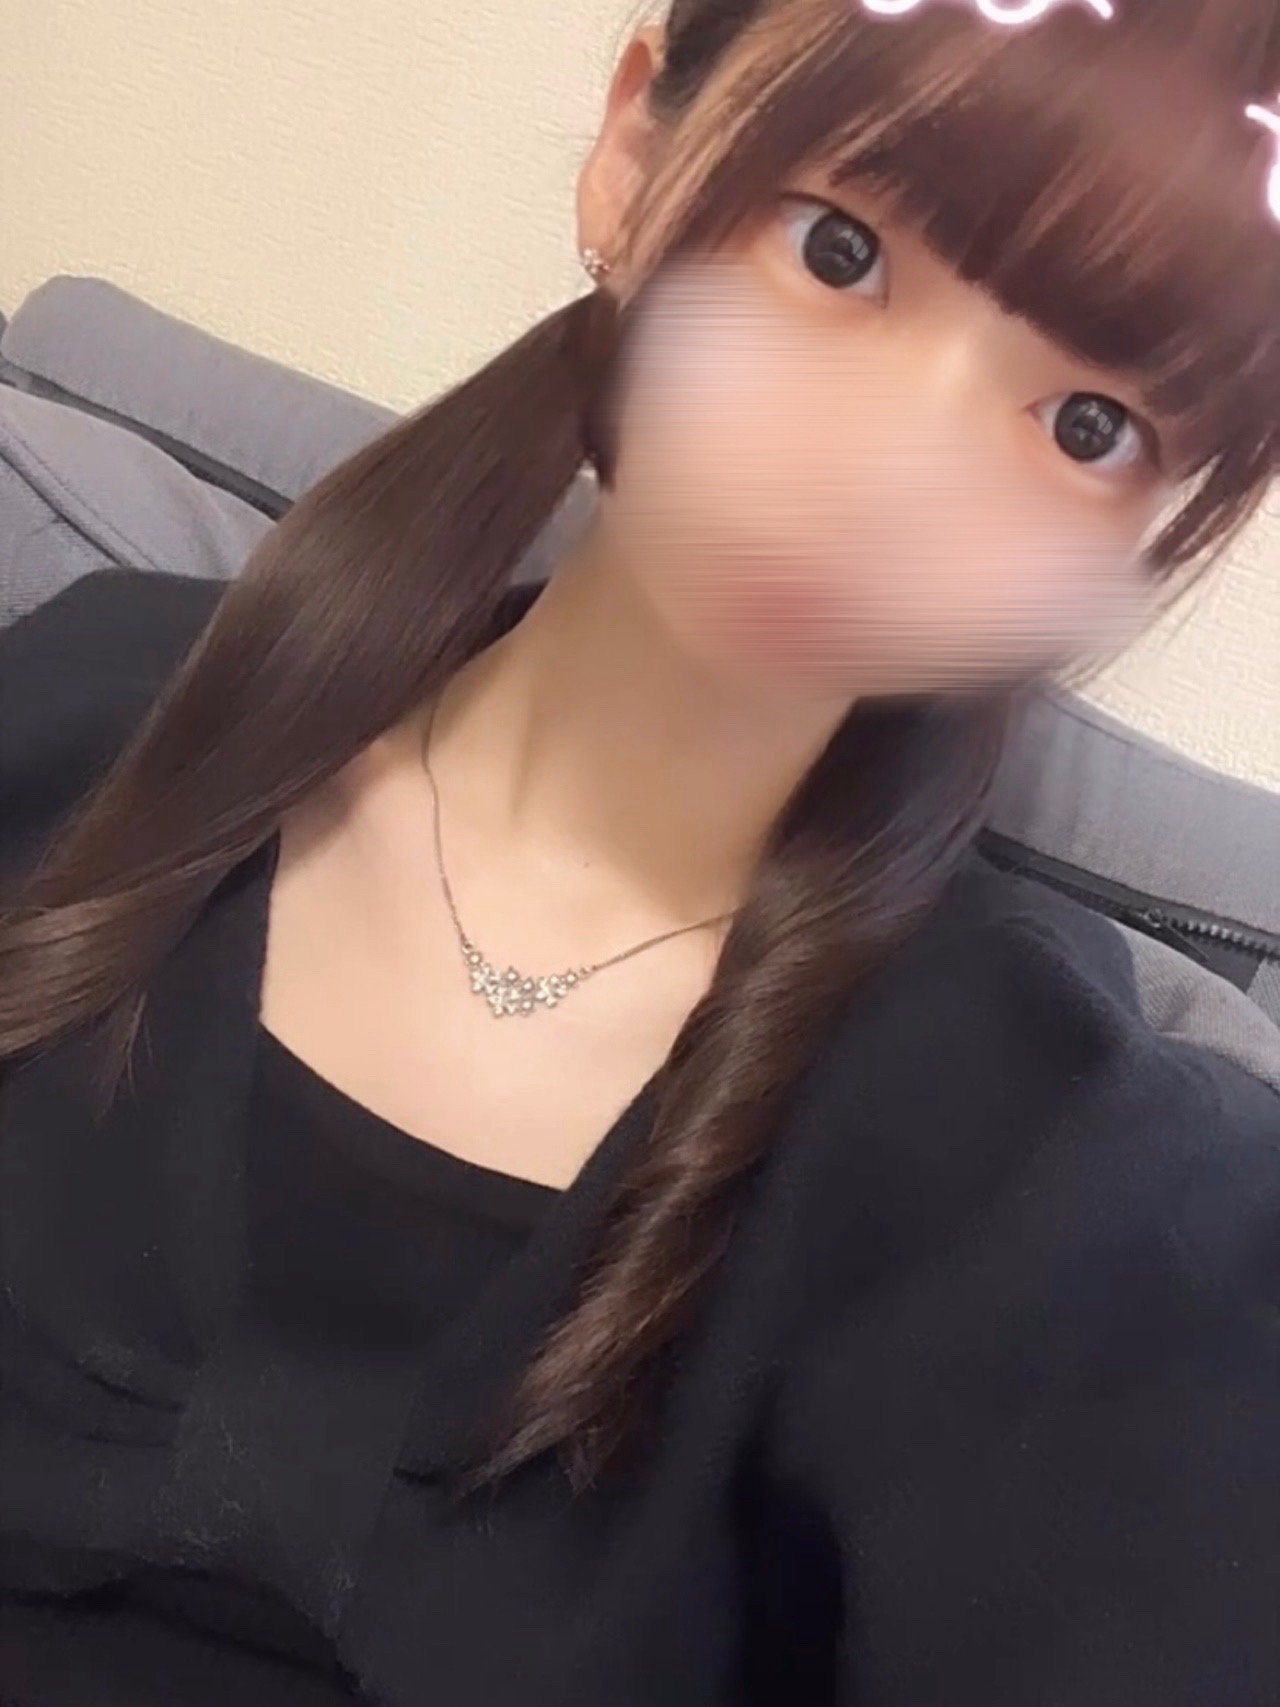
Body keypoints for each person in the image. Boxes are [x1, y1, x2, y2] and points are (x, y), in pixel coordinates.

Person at [1, 1, 1277, 1702]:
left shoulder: (1069, 1176)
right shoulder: (86, 709)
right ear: (634, 152)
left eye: (1089, 426)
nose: (894, 476)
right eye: (840, 251)